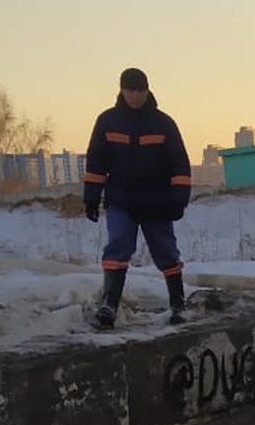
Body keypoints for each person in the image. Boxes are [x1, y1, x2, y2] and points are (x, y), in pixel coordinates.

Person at [83, 67, 192, 329]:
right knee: (118, 245)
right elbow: (96, 161)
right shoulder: (107, 121)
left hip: (157, 203)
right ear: (121, 90)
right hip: (121, 200)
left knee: (166, 251)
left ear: (147, 90)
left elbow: (180, 163)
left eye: (140, 91)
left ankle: (178, 304)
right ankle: (109, 305)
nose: (135, 96)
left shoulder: (163, 123)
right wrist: (91, 198)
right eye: (130, 91)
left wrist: (179, 199)